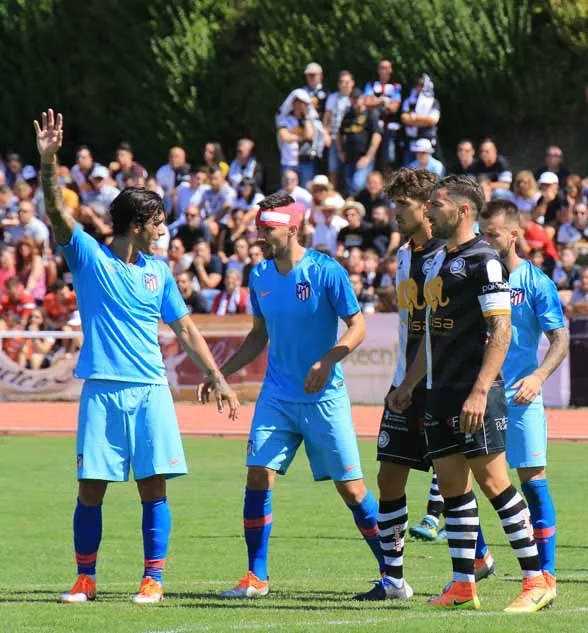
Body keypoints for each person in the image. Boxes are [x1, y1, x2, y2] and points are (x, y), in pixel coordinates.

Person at [35, 110, 239, 606]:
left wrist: (216, 375)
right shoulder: (90, 258)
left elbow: (185, 328)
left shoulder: (159, 273)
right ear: (136, 224)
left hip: (150, 391)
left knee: (154, 487)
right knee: (91, 488)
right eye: (158, 222)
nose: (164, 229)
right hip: (102, 389)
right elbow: (58, 215)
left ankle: (153, 579)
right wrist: (48, 163)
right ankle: (85, 579)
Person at [386, 175, 555, 612]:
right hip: (438, 390)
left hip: (474, 391)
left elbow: (501, 329)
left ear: (463, 211)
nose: (429, 209)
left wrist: (480, 391)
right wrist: (409, 384)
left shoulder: (485, 260)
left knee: (495, 483)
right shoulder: (438, 260)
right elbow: (431, 335)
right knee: (453, 488)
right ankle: (463, 586)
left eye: (437, 204)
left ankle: (537, 580)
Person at [208, 192, 385, 599]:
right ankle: (256, 576)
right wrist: (221, 373)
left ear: (292, 228)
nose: (259, 235)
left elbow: (358, 327)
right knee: (258, 474)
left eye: (267, 228)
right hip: (276, 395)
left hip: (324, 399)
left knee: (352, 490)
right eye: (258, 227)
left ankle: (392, 573)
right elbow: (259, 335)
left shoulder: (326, 271)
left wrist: (328, 361)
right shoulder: (260, 275)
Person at [355, 168, 447, 601]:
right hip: (403, 383)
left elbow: (440, 330)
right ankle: (393, 580)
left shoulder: (449, 255)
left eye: (403, 205)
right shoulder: (406, 254)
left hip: (439, 384)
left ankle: (484, 561)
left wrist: (413, 381)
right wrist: (403, 381)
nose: (395, 213)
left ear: (427, 206)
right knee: (389, 476)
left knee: (461, 479)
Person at [479, 198, 570, 593]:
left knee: (533, 481)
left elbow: (560, 339)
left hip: (520, 396)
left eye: (493, 234)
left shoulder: (536, 282)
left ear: (514, 234)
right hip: (481, 396)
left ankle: (546, 572)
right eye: (482, 234)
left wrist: (538, 376)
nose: (486, 241)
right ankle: (478, 558)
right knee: (459, 479)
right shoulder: (476, 277)